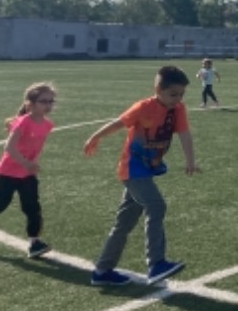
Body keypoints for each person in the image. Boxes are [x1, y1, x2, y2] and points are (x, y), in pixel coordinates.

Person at [83, 65, 199, 286]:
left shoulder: (178, 109)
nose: (178, 99)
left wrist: (190, 161)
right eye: (173, 94)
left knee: (124, 222)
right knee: (156, 205)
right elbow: (119, 123)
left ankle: (102, 271)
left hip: (146, 170)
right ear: (158, 90)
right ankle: (156, 263)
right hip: (132, 171)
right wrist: (95, 137)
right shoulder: (143, 108)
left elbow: (184, 134)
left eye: (181, 94)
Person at [0, 82, 57, 259]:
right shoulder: (23, 122)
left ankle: (34, 243)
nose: (48, 105)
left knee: (33, 208)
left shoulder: (48, 124)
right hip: (8, 173)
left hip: (27, 175)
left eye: (51, 101)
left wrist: (33, 164)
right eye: (43, 101)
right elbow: (9, 147)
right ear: (30, 104)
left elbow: (38, 147)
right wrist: (26, 163)